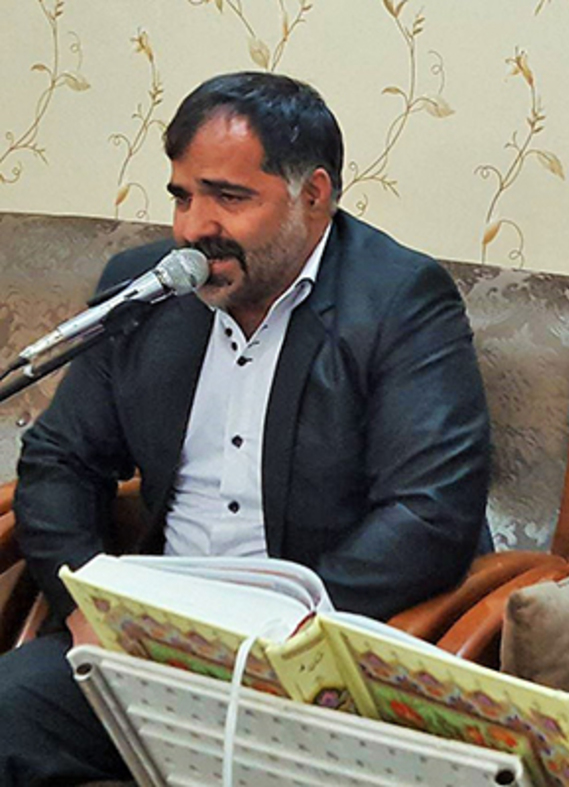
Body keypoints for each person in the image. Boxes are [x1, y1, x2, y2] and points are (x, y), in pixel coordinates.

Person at [0, 71, 491, 784]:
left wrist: (285, 633)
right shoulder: (147, 289)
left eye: (229, 198)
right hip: (146, 647)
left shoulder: (400, 301)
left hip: (309, 656)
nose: (194, 228)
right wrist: (85, 601)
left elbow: (430, 513)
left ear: (313, 195)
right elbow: (58, 460)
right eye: (183, 196)